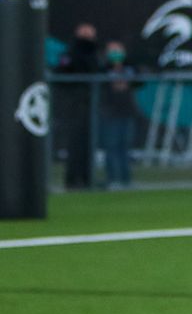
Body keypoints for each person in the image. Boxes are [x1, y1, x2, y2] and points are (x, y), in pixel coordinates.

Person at [55, 22, 101, 189]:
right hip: (75, 104)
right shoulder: (71, 53)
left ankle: (87, 178)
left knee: (88, 144)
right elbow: (62, 74)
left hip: (90, 103)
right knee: (76, 143)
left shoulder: (94, 53)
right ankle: (73, 179)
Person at [99, 41, 139, 189]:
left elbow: (138, 80)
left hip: (127, 112)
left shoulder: (130, 68)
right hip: (110, 113)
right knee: (112, 146)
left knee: (125, 146)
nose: (116, 54)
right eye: (113, 51)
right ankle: (113, 179)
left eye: (119, 50)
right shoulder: (103, 69)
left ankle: (126, 179)